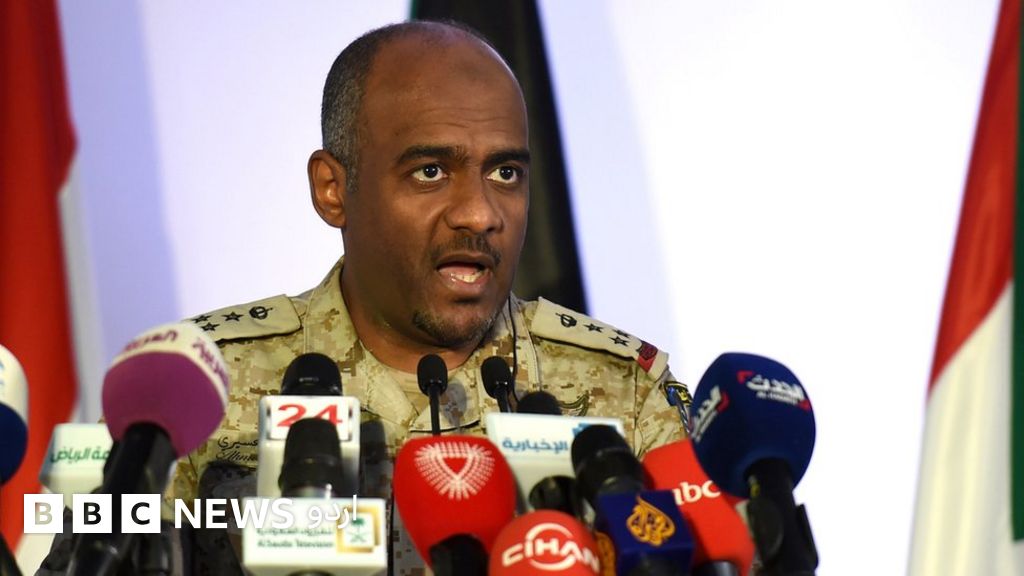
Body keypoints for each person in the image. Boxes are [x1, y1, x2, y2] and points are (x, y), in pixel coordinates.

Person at [168, 20, 690, 575]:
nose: (480, 214)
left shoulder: (627, 391)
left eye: (505, 172)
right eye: (431, 171)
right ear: (332, 189)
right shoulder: (194, 384)